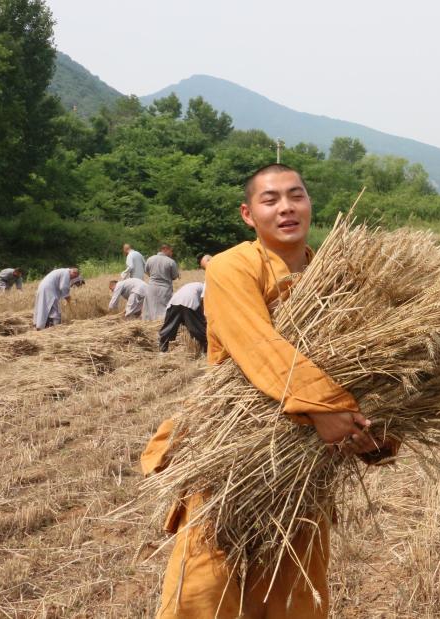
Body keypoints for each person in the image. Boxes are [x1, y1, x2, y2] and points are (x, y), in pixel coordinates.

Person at [141, 164, 395, 618]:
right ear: (248, 213)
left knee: (292, 597)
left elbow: (372, 372)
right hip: (234, 457)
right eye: (270, 199)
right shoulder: (232, 265)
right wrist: (323, 409)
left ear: (309, 203)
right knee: (206, 592)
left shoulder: (338, 279)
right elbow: (256, 344)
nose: (286, 207)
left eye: (295, 196)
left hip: (303, 472)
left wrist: (375, 435)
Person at [143, 245, 179, 321]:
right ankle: (161, 326)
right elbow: (175, 276)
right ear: (166, 250)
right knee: (163, 309)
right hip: (164, 289)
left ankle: (150, 326)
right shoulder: (171, 262)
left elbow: (146, 271)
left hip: (151, 287)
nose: (172, 253)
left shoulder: (150, 259)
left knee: (150, 308)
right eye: (171, 251)